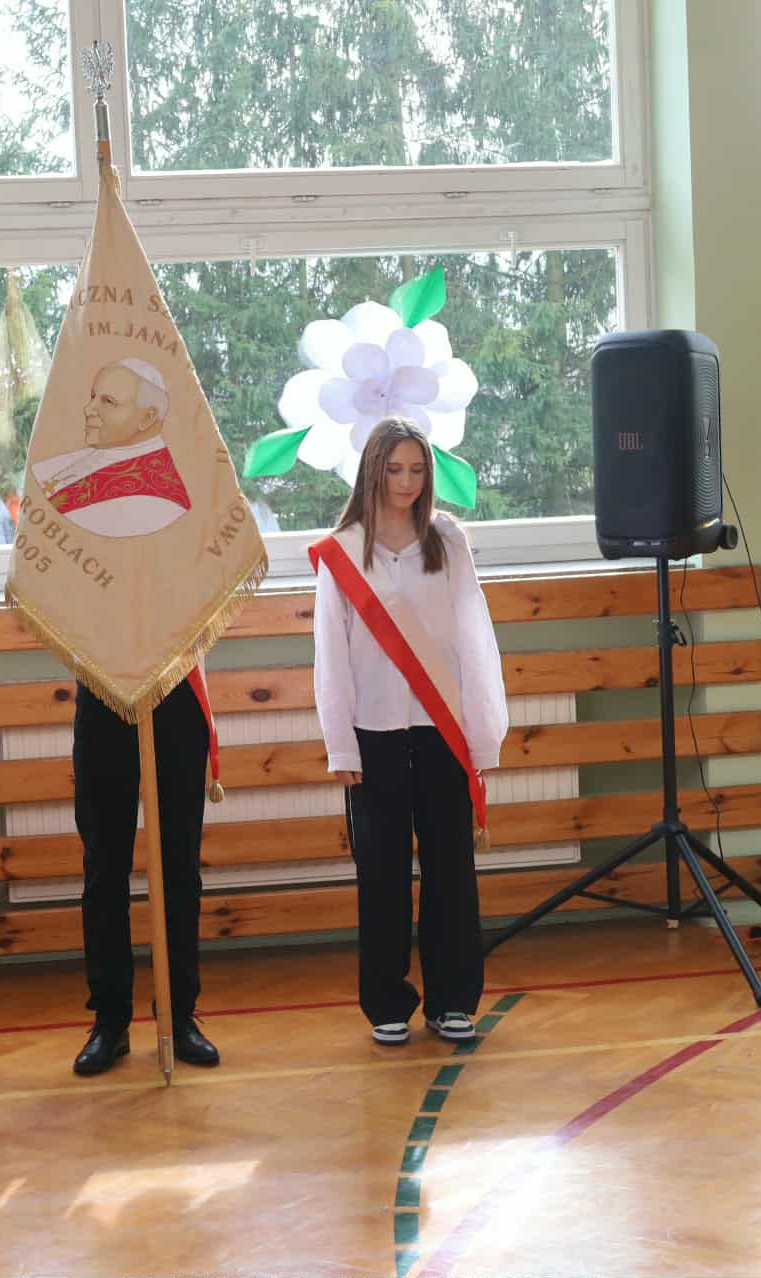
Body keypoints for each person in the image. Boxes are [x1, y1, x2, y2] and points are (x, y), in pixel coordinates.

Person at [309, 417, 508, 1046]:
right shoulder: (342, 551)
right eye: (394, 469)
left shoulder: (448, 541)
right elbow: (330, 654)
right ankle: (387, 1001)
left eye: (417, 469)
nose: (406, 481)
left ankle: (452, 999)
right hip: (373, 732)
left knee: (451, 867)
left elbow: (474, 635)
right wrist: (340, 743)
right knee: (381, 871)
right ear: (372, 470)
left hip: (441, 728)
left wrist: (482, 731)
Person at [69, 664, 222, 1076]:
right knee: (103, 868)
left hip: (175, 687)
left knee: (180, 866)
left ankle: (179, 1014)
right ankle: (110, 1021)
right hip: (103, 687)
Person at [29, 358, 192, 538]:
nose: (88, 409)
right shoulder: (103, 452)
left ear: (147, 418)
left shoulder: (156, 503)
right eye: (93, 397)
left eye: (108, 401)